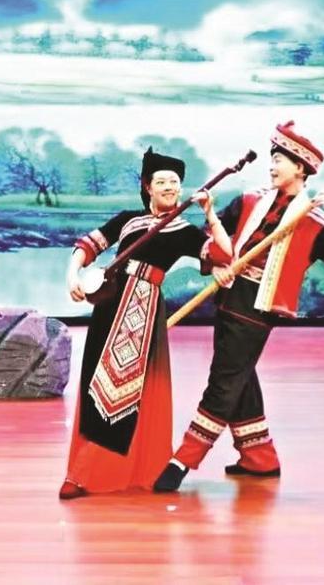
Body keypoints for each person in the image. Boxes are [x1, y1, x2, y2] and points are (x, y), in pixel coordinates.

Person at [155, 121, 324, 492]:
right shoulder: (250, 200)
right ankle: (259, 458)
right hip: (228, 295)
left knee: (224, 380)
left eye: (279, 160)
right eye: (272, 159)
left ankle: (183, 460)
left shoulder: (313, 219)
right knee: (239, 375)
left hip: (259, 306)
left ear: (301, 168)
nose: (272, 166)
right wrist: (216, 263)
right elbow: (210, 238)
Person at [58, 148, 232, 499]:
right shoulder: (128, 220)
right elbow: (86, 247)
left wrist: (210, 214)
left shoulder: (184, 230)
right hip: (109, 303)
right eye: (162, 181)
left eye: (175, 182)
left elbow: (224, 253)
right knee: (97, 382)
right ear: (147, 187)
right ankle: (82, 470)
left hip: (144, 308)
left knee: (128, 386)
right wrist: (72, 275)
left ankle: (100, 472)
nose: (170, 187)